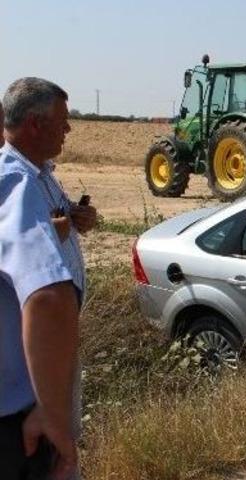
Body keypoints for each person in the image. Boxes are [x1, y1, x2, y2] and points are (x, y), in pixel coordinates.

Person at [0, 77, 95, 479]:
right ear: (35, 125)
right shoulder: (14, 182)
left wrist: (76, 217)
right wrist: (51, 411)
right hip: (22, 401)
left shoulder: (40, 174)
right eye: (62, 120)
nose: (68, 129)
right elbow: (48, 298)